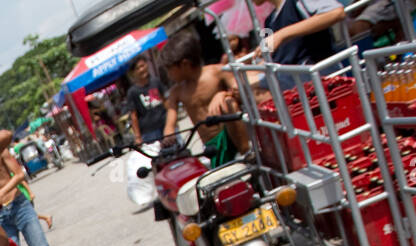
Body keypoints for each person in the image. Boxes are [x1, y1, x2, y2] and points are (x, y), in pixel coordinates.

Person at [160, 30, 249, 163]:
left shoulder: (218, 72)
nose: (168, 74)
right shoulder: (177, 91)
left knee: (229, 102)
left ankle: (247, 153)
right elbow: (170, 122)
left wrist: (223, 94)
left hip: (233, 137)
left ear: (184, 64)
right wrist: (168, 135)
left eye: (169, 68)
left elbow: (241, 92)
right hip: (210, 146)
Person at [263, 0, 344, 65]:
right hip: (288, 77)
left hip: (315, 70)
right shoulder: (268, 22)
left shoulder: (297, 2)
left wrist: (281, 35)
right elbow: (267, 60)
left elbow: (336, 12)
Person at [124, 56, 167, 145]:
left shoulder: (156, 82)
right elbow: (134, 116)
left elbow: (165, 101)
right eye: (137, 68)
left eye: (142, 66)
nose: (141, 70)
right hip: (149, 132)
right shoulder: (132, 92)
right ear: (133, 73)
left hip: (165, 124)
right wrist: (138, 137)